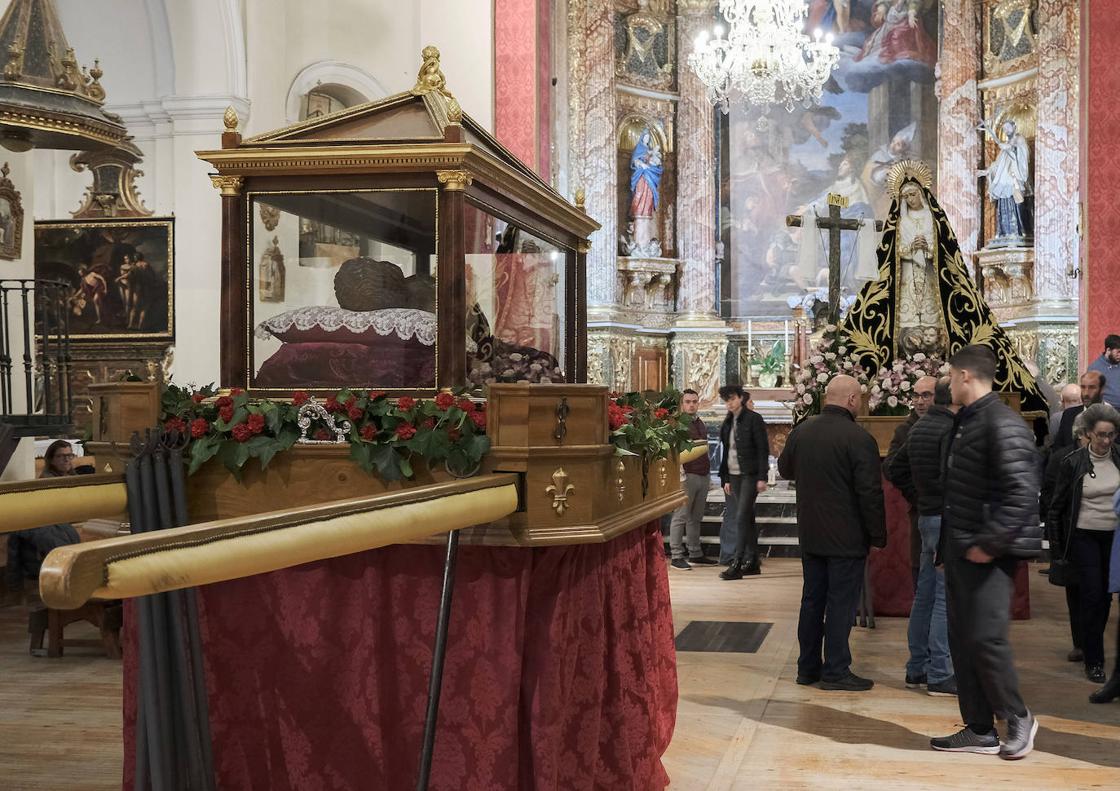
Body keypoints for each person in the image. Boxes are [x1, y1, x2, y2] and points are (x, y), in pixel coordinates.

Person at [931, 345, 1040, 759]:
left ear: (964, 377)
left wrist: (988, 544)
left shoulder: (1003, 423)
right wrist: (947, 550)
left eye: (950, 375)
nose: (947, 382)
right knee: (963, 641)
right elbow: (956, 495)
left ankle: (1018, 718)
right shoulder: (969, 421)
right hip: (964, 548)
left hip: (991, 552)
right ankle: (979, 729)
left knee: (986, 638)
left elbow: (1022, 494)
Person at [778, 375, 886, 691]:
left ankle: (807, 668)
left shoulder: (803, 431)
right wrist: (878, 535)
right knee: (840, 604)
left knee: (812, 600)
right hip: (847, 538)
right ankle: (836, 670)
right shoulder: (859, 438)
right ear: (852, 399)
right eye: (860, 398)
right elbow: (870, 493)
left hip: (811, 533)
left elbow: (785, 469)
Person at [1047, 404, 1120, 684]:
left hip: (1114, 537)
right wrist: (1056, 551)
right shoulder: (1072, 462)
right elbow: (1057, 508)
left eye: (1111, 435)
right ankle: (1095, 660)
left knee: (1105, 598)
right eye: (1100, 435)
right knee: (1091, 595)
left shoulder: (1119, 458)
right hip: (1084, 536)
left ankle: (1092, 643)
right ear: (1088, 434)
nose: (1106, 441)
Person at [4, 440, 81, 598]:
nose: (67, 459)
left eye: (69, 455)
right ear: (51, 459)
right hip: (53, 523)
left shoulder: (76, 477)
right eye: (61, 456)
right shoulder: (46, 481)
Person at [883, 375, 938, 588]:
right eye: (916, 395)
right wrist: (917, 495)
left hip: (948, 514)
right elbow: (890, 468)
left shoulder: (950, 423)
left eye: (926, 395)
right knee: (923, 578)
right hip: (921, 513)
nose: (920, 401)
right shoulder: (905, 430)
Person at [717, 385, 769, 580]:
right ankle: (753, 561)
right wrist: (727, 479)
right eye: (726, 400)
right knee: (747, 517)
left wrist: (762, 476)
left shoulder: (754, 419)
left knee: (740, 517)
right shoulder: (729, 421)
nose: (729, 403)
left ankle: (737, 563)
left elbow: (763, 449)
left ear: (740, 398)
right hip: (735, 476)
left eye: (732, 399)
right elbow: (727, 452)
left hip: (750, 474)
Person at [669, 389, 716, 571]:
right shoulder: (678, 424)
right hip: (686, 476)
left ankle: (695, 553)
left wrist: (708, 476)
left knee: (695, 517)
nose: (691, 405)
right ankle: (676, 555)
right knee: (680, 516)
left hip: (702, 475)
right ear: (682, 404)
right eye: (687, 401)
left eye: (694, 401)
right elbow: (674, 452)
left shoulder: (700, 423)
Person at [977, 119, 1032, 240]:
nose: (1006, 131)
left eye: (1008, 128)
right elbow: (998, 164)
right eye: (1004, 129)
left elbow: (1022, 154)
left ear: (1014, 127)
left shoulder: (1019, 139)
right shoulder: (1005, 146)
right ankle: (1004, 231)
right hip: (1004, 180)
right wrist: (986, 172)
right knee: (1003, 204)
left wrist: (1011, 148)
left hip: (1014, 178)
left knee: (1017, 202)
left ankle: (1020, 230)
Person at [1052, 371, 1106, 451]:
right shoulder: (1069, 414)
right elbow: (1058, 448)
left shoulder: (1113, 417)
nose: (1086, 393)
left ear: (1102, 390)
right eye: (1083, 387)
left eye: (1091, 388)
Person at [1087, 335, 1120, 408]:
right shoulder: (1094, 368)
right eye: (1118, 352)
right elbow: (1091, 393)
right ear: (1108, 350)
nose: (1119, 355)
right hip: (1107, 412)